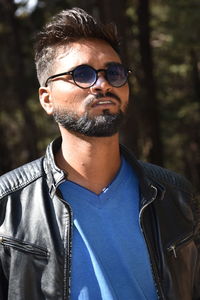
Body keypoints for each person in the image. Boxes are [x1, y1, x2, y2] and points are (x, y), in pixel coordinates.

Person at [0, 7, 199, 300]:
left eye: (114, 73)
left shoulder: (175, 196)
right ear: (47, 99)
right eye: (82, 74)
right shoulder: (7, 207)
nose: (103, 84)